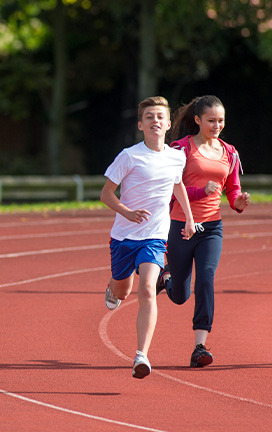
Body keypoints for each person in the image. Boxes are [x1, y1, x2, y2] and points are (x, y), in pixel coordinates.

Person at [100, 96, 196, 379]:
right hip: (123, 236)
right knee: (122, 291)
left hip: (154, 235)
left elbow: (178, 185)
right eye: (149, 117)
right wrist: (126, 212)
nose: (155, 121)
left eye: (160, 117)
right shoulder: (129, 156)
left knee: (146, 290)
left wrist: (190, 218)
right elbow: (106, 193)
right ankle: (113, 286)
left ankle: (141, 355)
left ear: (168, 124)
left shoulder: (177, 157)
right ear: (141, 125)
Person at [158, 95, 250, 367]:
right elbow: (170, 190)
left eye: (221, 120)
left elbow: (232, 189)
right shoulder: (180, 150)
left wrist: (238, 202)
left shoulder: (229, 152)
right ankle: (167, 279)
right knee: (180, 296)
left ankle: (200, 346)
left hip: (211, 228)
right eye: (211, 120)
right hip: (181, 225)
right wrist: (200, 191)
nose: (217, 125)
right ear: (197, 120)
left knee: (206, 279)